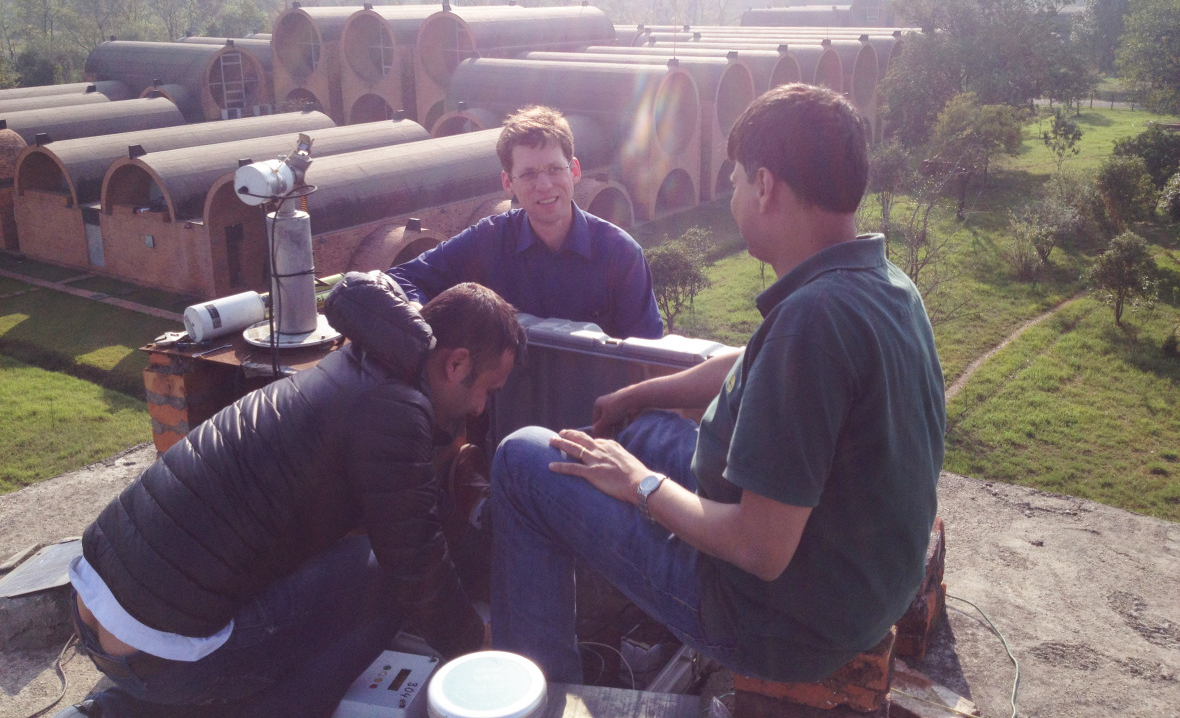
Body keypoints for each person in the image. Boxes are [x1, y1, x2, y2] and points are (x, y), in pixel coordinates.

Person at [489, 83, 946, 684]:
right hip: (853, 579)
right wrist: (639, 394)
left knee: (522, 459)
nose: (731, 196)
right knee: (642, 428)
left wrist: (640, 485)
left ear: (765, 185)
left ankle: (536, 690)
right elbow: (750, 360)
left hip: (774, 623)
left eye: (732, 180)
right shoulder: (877, 282)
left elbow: (761, 549)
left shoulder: (812, 325)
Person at [57, 275, 524, 718]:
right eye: (488, 389)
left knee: (354, 562)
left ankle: (116, 710)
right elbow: (415, 564)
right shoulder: (394, 411)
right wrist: (477, 644)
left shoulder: (361, 362)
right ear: (456, 363)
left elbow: (419, 508)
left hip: (97, 612)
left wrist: (487, 568)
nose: (481, 407)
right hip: (161, 658)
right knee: (386, 581)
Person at [389, 104, 663, 341]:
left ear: (574, 171)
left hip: (595, 399)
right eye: (529, 174)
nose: (544, 185)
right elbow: (401, 278)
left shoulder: (621, 255)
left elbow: (649, 358)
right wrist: (418, 314)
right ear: (508, 183)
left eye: (555, 169)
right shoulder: (489, 240)